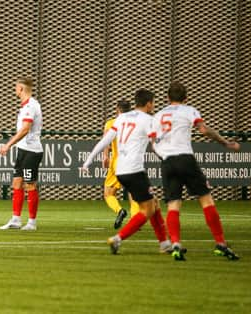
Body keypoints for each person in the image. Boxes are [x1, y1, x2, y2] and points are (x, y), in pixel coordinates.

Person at [152, 81, 241, 261]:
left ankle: (176, 243)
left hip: (167, 162)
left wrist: (164, 156)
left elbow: (153, 142)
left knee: (173, 204)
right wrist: (225, 143)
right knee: (206, 199)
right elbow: (203, 129)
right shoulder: (189, 110)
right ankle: (221, 243)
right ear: (186, 98)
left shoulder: (159, 115)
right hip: (185, 158)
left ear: (168, 98)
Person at [83, 89, 171, 255]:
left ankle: (164, 243)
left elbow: (105, 141)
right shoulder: (148, 120)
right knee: (148, 209)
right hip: (134, 169)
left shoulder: (121, 118)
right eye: (153, 103)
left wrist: (88, 161)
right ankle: (118, 239)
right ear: (148, 104)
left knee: (153, 204)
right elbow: (156, 144)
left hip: (120, 169)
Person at [0, 77, 43, 231]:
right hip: (23, 150)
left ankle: (32, 222)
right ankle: (16, 219)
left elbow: (25, 129)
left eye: (16, 87)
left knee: (30, 185)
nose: (15, 90)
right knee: (17, 182)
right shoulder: (25, 106)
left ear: (21, 89)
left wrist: (8, 144)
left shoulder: (31, 105)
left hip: (31, 151)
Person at [102, 100, 140, 229]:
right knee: (133, 192)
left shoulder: (111, 123)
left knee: (108, 194)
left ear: (117, 109)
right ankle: (135, 220)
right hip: (133, 161)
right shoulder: (134, 124)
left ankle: (120, 211)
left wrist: (105, 156)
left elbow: (106, 141)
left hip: (117, 161)